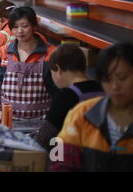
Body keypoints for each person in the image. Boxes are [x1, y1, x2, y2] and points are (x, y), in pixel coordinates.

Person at [51, 42, 133, 171]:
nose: (114, 86)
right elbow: (60, 161)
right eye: (107, 79)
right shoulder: (80, 114)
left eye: (122, 78)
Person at [0, 6, 57, 120]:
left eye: (25, 26)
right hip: (9, 122)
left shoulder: (51, 54)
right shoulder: (3, 52)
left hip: (41, 122)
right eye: (15, 27)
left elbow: (59, 92)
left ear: (34, 26)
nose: (19, 31)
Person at [33, 44, 104, 151]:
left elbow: (46, 138)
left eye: (52, 74)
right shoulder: (103, 90)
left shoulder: (65, 97)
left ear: (58, 70)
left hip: (75, 160)